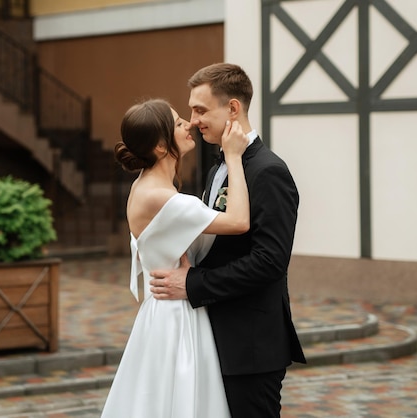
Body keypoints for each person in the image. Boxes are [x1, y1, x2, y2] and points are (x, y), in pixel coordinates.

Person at [149, 63, 307, 417]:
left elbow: (270, 261)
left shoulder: (269, 172)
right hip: (213, 337)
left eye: (201, 110)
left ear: (232, 108)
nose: (192, 120)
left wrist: (193, 284)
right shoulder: (216, 167)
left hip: (249, 344)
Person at [100, 98, 250, 418]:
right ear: (159, 145)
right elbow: (239, 222)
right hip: (176, 315)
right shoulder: (162, 197)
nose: (189, 124)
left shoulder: (146, 186)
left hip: (163, 309)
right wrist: (234, 157)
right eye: (178, 122)